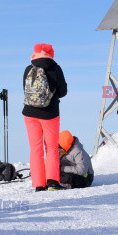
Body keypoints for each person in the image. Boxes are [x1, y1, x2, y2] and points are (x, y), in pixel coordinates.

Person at [23, 43, 67, 192]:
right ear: (51, 53)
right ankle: (53, 182)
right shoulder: (55, 68)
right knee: (52, 148)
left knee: (35, 149)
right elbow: (63, 92)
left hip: (30, 114)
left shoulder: (29, 69)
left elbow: (26, 90)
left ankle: (39, 184)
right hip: (50, 114)